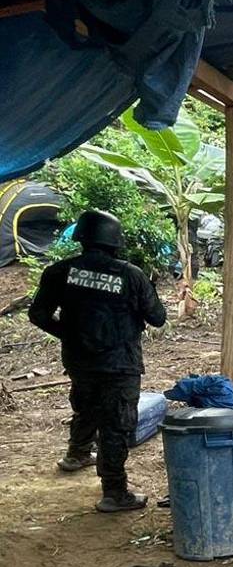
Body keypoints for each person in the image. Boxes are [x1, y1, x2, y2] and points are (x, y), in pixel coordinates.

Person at [29, 209, 166, 512]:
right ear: (114, 241)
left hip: (80, 360)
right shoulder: (130, 274)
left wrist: (68, 333)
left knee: (86, 406)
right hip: (120, 364)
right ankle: (114, 493)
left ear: (81, 238)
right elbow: (157, 318)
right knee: (115, 424)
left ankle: (77, 453)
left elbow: (37, 314)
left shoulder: (59, 272)